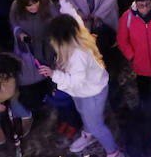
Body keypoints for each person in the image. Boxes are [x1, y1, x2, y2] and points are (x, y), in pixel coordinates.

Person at [41, 10, 124, 157]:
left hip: (91, 93)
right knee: (83, 112)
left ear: (62, 39)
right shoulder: (78, 34)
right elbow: (75, 16)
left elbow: (76, 81)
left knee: (97, 126)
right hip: (82, 92)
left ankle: (113, 152)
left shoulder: (78, 55)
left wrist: (54, 74)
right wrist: (65, 2)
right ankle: (88, 134)